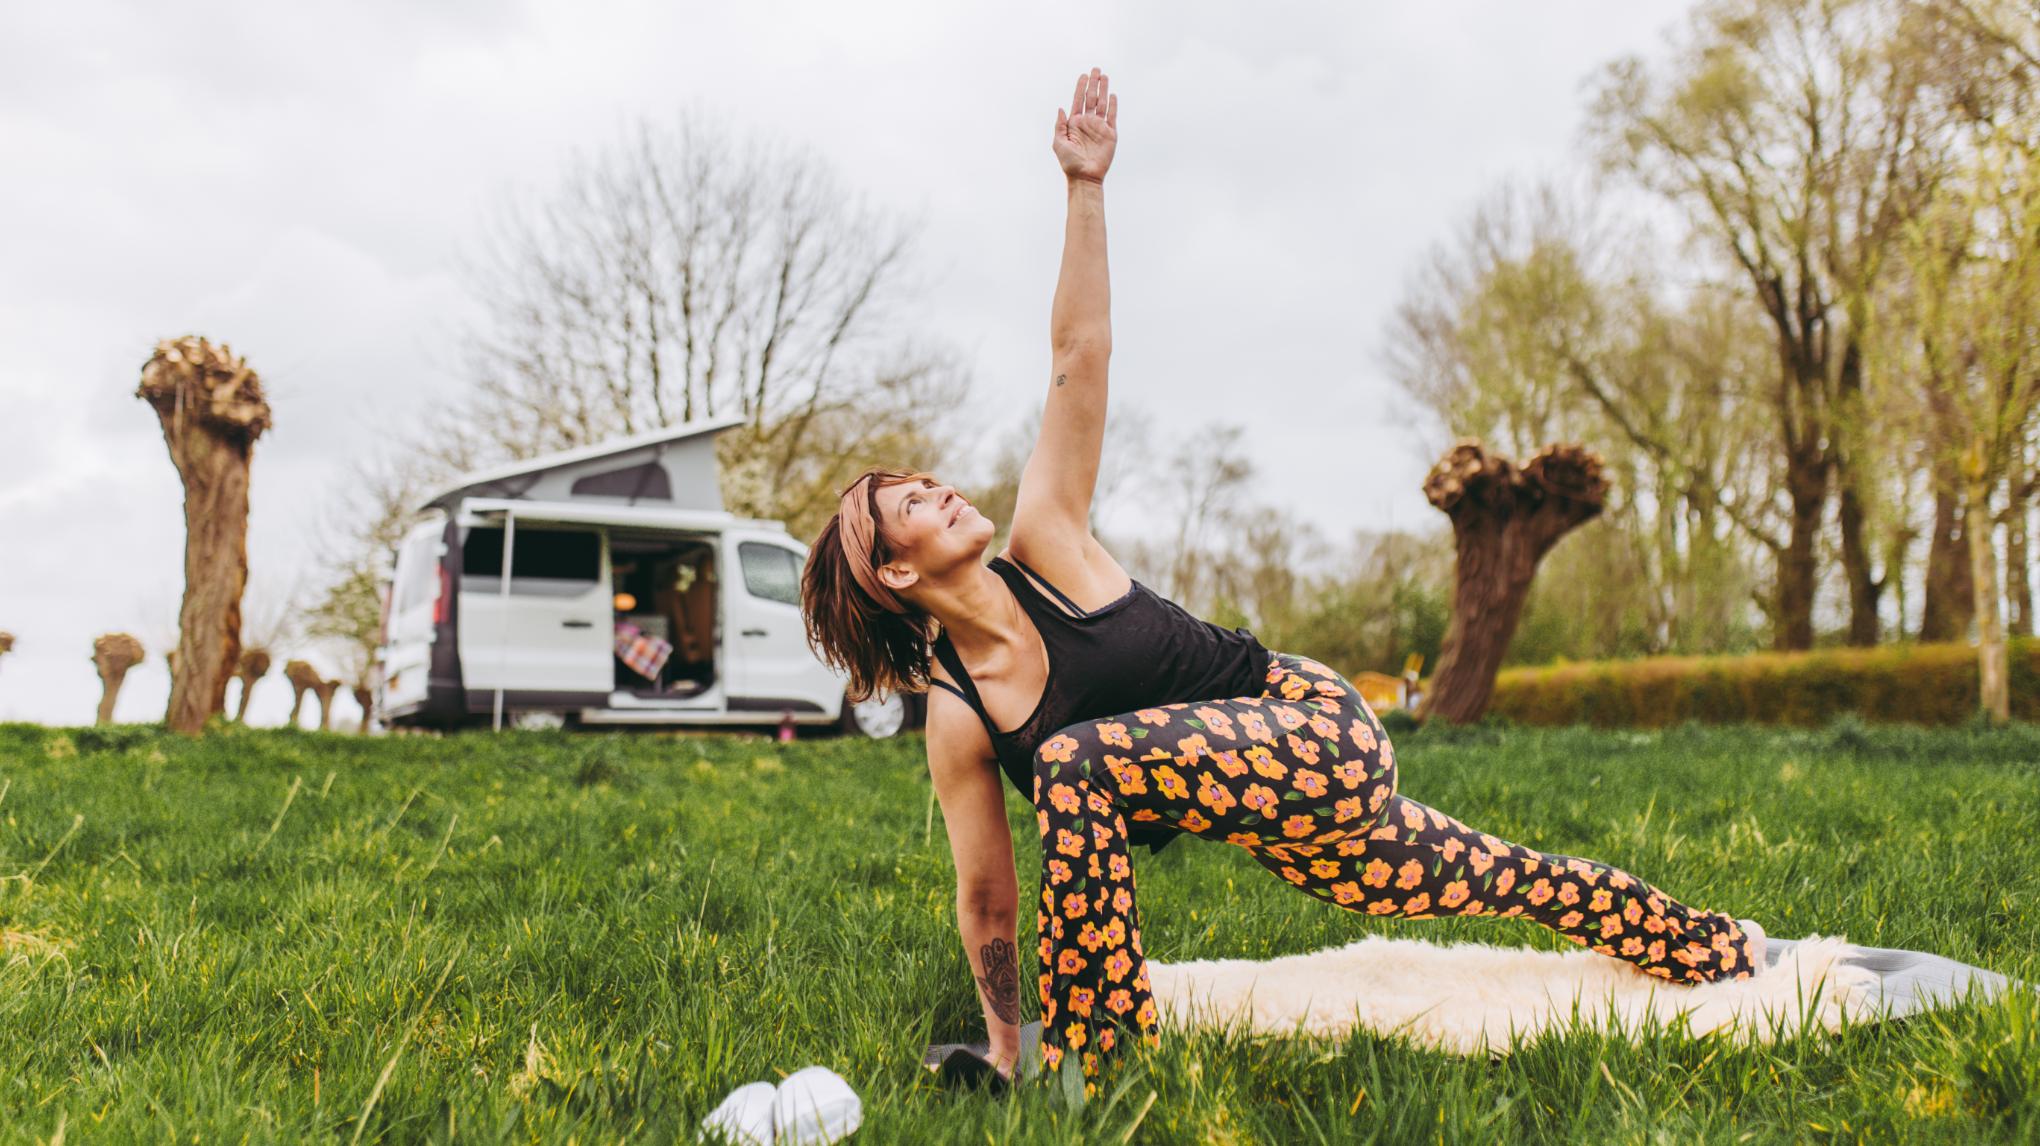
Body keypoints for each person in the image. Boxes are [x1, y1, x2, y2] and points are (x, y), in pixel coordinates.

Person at [798, 68, 1767, 1094]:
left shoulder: (1047, 543)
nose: (937, 490)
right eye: (905, 503)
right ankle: (1716, 950)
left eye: (924, 479)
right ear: (892, 571)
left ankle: (1104, 1060)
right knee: (1499, 877)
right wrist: (1000, 1045)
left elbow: (1080, 350)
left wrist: (1086, 187)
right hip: (1281, 819)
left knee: (1080, 760)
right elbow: (987, 900)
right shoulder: (956, 715)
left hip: (1313, 725)